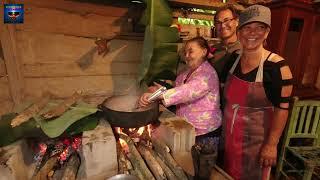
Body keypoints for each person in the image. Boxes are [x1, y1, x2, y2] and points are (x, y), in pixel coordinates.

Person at [220, 5, 293, 180]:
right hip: (228, 138)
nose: (253, 33)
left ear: (267, 32)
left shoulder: (277, 67)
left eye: (260, 27)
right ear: (239, 32)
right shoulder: (232, 59)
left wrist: (271, 144)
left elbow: (282, 109)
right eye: (247, 28)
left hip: (257, 145)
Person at [139, 36, 222, 179]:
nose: (187, 56)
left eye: (191, 51)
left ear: (203, 51)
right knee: (191, 169)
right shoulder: (187, 72)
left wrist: (159, 95)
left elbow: (187, 91)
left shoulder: (207, 74)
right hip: (190, 129)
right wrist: (159, 88)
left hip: (205, 131)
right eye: (186, 52)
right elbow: (179, 86)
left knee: (203, 172)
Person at [209, 4, 241, 82]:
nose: (222, 25)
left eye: (226, 20)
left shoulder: (244, 50)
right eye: (218, 22)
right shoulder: (211, 49)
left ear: (236, 22)